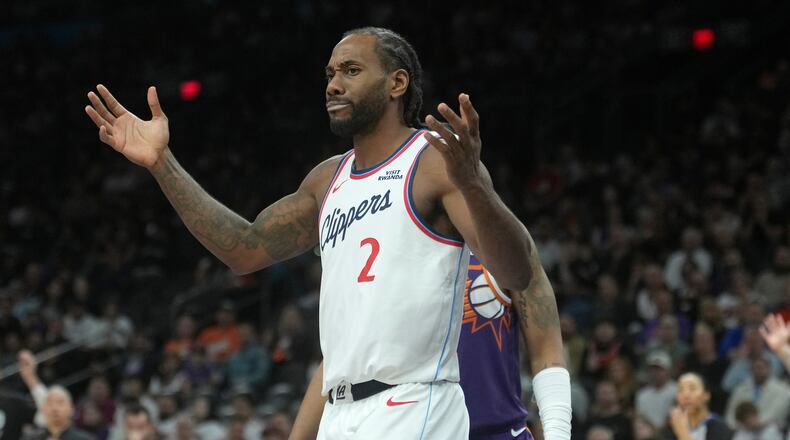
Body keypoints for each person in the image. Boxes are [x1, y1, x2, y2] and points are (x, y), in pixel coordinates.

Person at [85, 26, 534, 439]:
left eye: (351, 71)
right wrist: (161, 163)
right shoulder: (327, 180)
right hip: (339, 412)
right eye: (330, 73)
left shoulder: (434, 161)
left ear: (397, 84)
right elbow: (244, 249)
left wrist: (474, 186)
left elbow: (516, 272)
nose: (333, 84)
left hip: (413, 402)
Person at [290, 251, 571, 440]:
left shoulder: (502, 249)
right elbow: (340, 361)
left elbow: (547, 351)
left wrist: (558, 434)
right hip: (412, 428)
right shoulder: (392, 260)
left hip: (495, 431)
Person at [665, 372, 733, 440]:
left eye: (692, 389)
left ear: (706, 395)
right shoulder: (672, 428)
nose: (686, 395)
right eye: (681, 390)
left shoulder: (721, 428)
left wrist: (682, 433)